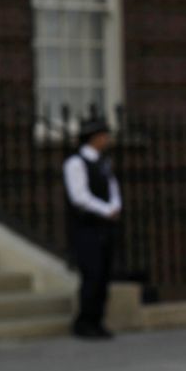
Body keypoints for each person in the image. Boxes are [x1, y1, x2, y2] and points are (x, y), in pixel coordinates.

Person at [64, 117, 122, 340]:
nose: (107, 140)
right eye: (104, 136)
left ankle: (97, 320)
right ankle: (84, 321)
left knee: (104, 273)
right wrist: (106, 210)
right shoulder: (75, 163)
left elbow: (113, 187)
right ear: (94, 138)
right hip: (87, 227)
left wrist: (115, 206)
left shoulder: (103, 162)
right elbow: (79, 197)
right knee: (92, 273)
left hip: (105, 226)